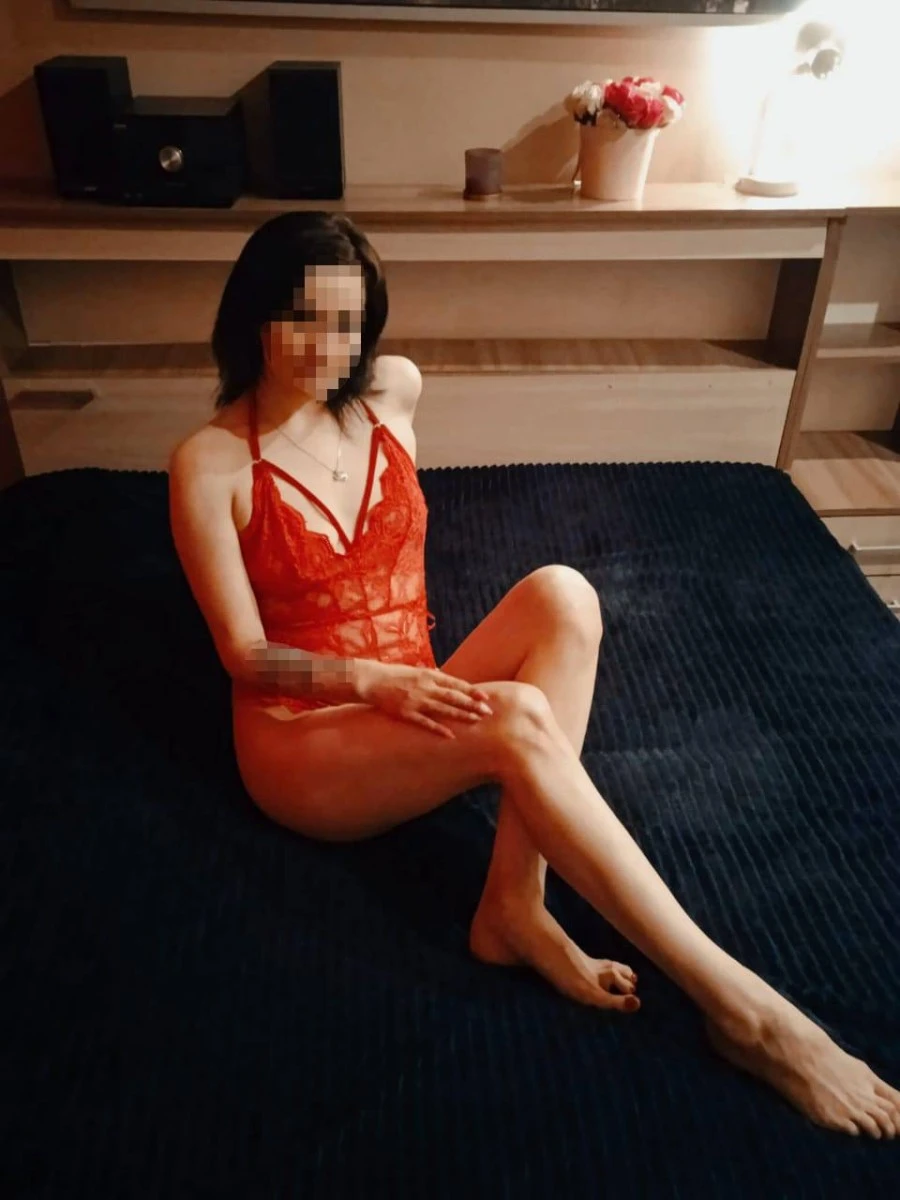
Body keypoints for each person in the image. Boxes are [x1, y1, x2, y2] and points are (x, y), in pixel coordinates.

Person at [168, 211, 899, 1139]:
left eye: (349, 323)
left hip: (411, 693)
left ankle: (512, 904)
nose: (329, 347)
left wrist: (405, 681)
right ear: (254, 314)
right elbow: (243, 654)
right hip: (301, 744)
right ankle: (746, 1011)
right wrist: (377, 682)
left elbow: (375, 389)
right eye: (302, 318)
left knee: (564, 593)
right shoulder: (210, 463)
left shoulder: (391, 391)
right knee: (515, 717)